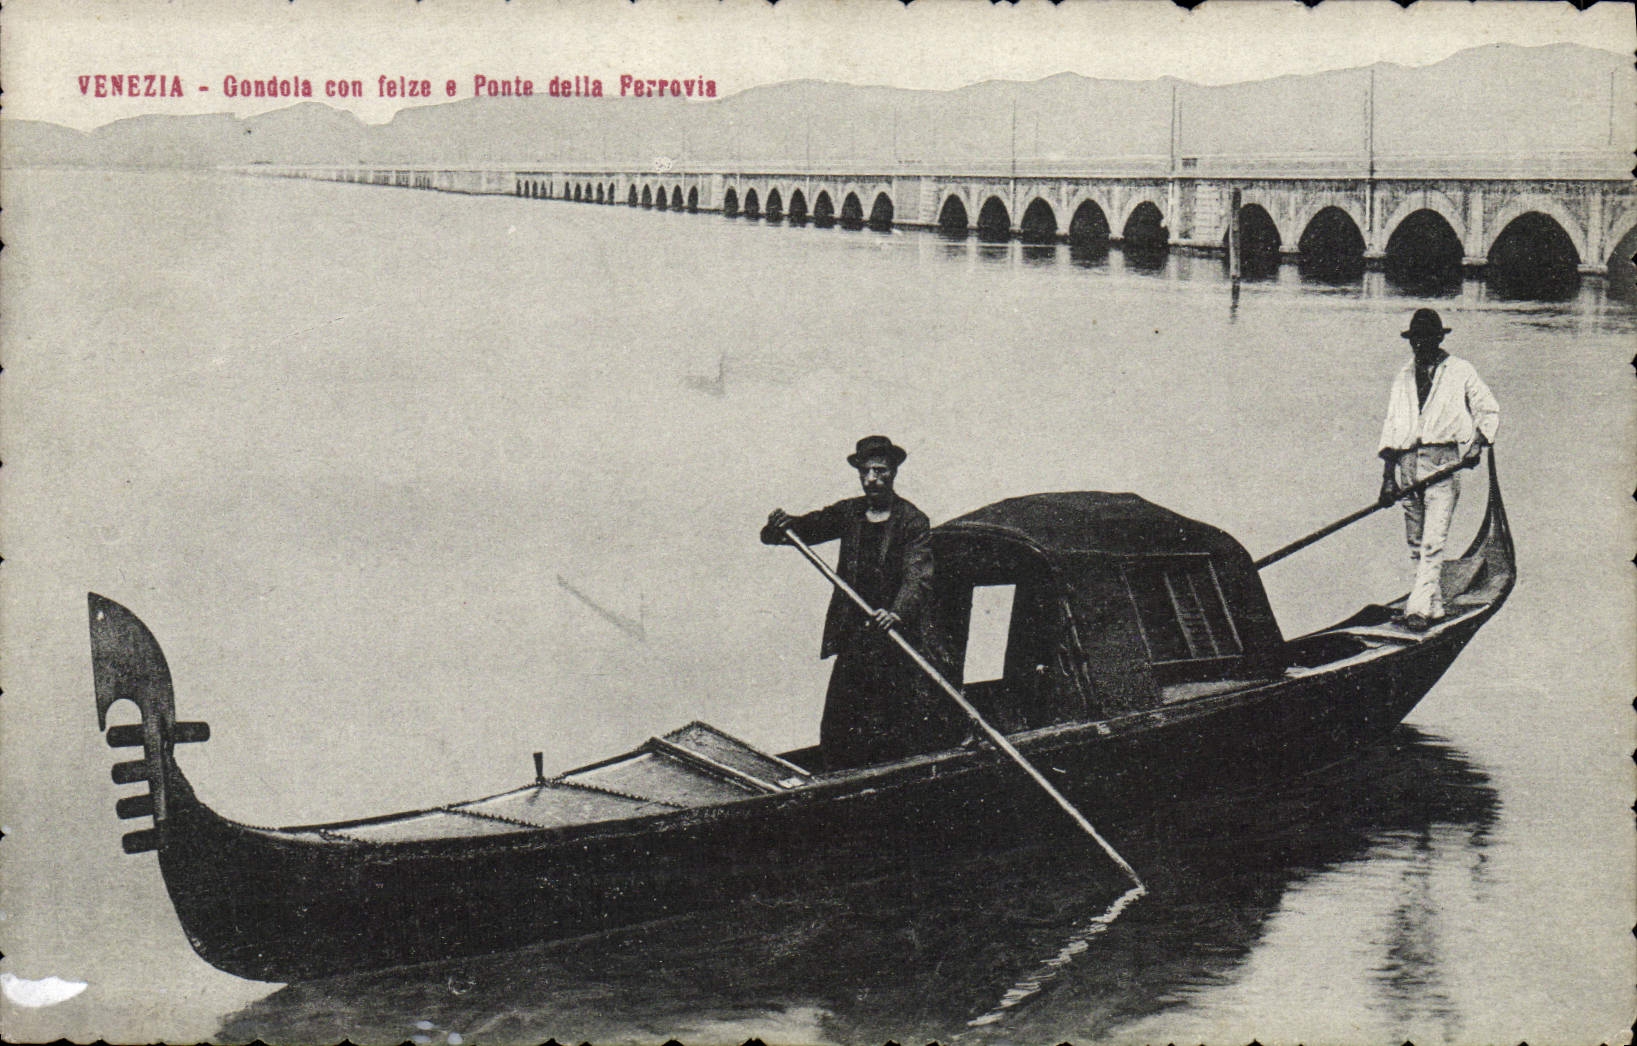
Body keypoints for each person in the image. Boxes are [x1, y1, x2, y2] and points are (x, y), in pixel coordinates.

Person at [762, 435, 950, 771]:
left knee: (892, 724)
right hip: (854, 636)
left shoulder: (912, 521)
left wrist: (896, 613)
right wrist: (782, 525)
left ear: (893, 472)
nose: (872, 479)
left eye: (880, 471)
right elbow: (804, 528)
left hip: (895, 639)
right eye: (866, 472)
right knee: (840, 725)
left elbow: (917, 577)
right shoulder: (849, 513)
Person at [1377, 308, 1500, 631]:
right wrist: (1388, 479)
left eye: (1425, 339)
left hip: (1442, 463)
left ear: (1438, 339)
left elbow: (1487, 408)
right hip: (1407, 465)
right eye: (1414, 340)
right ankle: (1433, 606)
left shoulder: (1460, 371)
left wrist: (1476, 444)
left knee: (1433, 542)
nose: (1419, 346)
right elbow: (1391, 427)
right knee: (1416, 543)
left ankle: (1416, 610)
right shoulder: (1403, 376)